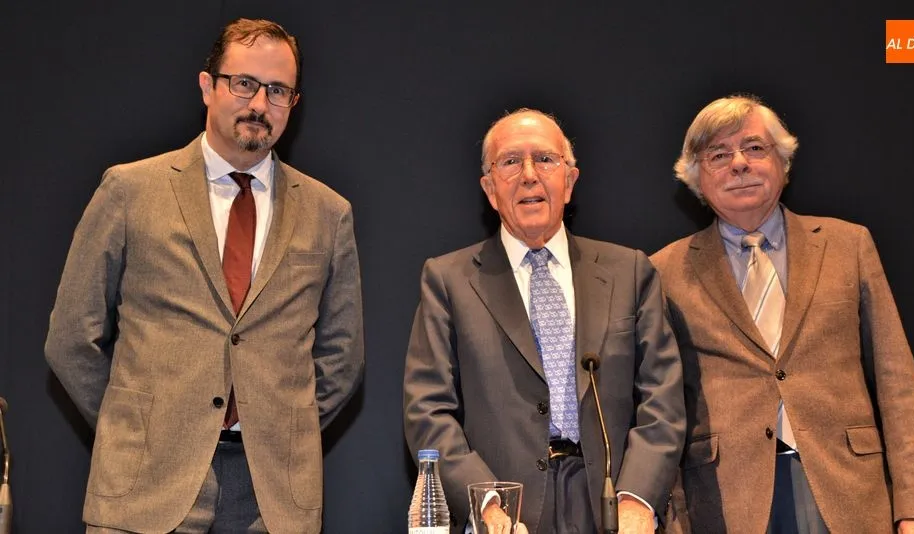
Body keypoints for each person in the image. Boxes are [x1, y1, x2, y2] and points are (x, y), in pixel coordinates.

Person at [44, 18, 363, 533]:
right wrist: (139, 428)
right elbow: (71, 339)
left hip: (273, 500)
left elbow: (341, 361)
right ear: (207, 86)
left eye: (277, 90)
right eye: (244, 83)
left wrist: (277, 429)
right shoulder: (129, 191)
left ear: (293, 104)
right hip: (146, 489)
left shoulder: (328, 213)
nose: (259, 104)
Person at [650, 95, 914, 533]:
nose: (739, 164)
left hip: (847, 487)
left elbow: (898, 383)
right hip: (726, 500)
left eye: (754, 148)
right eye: (718, 154)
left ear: (783, 162)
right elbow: (662, 407)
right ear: (695, 177)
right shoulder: (664, 270)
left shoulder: (848, 245)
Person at [404, 108, 685, 534]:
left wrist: (638, 498)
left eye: (546, 160)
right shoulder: (448, 280)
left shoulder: (629, 271)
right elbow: (427, 408)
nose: (529, 175)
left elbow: (662, 398)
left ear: (570, 181)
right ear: (490, 188)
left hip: (611, 505)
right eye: (511, 162)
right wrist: (485, 502)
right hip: (505, 510)